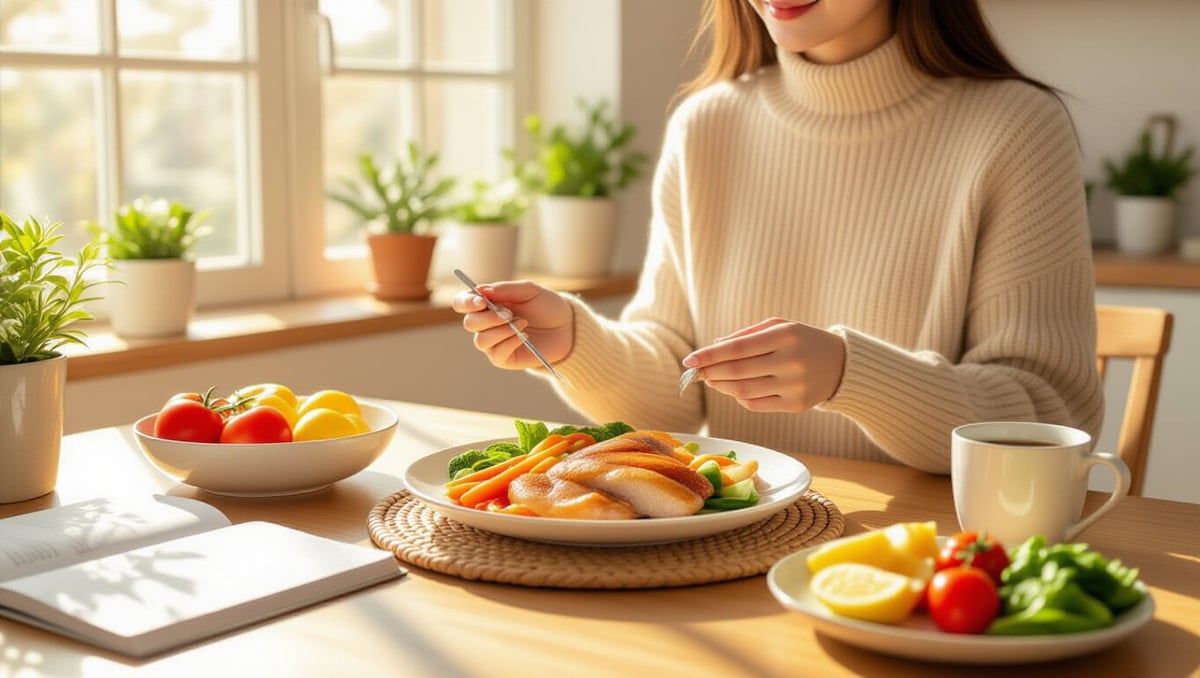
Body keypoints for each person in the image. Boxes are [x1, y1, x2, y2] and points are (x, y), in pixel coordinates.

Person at [452, 0, 1103, 473]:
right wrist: (576, 343)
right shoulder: (706, 126)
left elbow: (1051, 418)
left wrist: (853, 375)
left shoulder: (1016, 128)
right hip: (737, 552)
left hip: (930, 561)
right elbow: (676, 387)